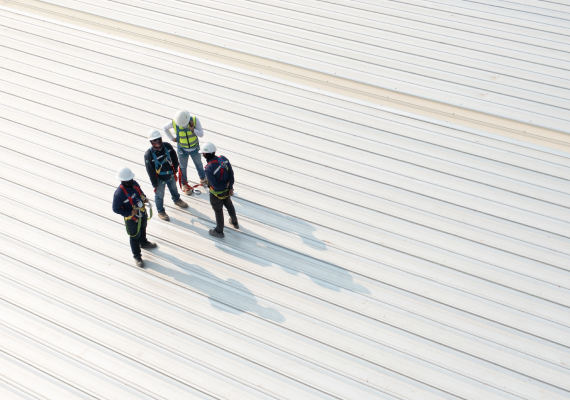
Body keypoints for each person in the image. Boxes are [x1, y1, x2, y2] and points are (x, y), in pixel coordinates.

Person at [112, 167, 156, 268]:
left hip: (141, 212)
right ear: (123, 181)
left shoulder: (134, 184)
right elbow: (115, 209)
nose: (131, 181)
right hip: (132, 219)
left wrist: (145, 199)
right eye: (128, 180)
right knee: (134, 236)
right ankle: (137, 256)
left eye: (131, 179)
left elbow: (140, 192)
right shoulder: (119, 194)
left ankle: (143, 242)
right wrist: (129, 212)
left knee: (143, 227)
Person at [145, 129, 188, 221]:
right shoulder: (149, 155)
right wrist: (154, 184)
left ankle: (177, 200)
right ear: (151, 142)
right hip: (159, 179)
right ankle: (161, 211)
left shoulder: (167, 146)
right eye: (155, 140)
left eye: (159, 139)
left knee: (173, 188)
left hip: (170, 174)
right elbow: (150, 170)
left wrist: (176, 168)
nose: (158, 141)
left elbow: (174, 156)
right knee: (159, 195)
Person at [163, 109, 208, 195]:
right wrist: (172, 138)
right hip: (182, 150)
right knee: (183, 167)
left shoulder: (194, 120)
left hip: (194, 148)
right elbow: (165, 128)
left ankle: (203, 179)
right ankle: (185, 185)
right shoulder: (174, 122)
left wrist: (193, 130)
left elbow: (201, 134)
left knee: (198, 164)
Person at [200, 142, 238, 238]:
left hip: (216, 194)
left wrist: (225, 186)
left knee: (218, 211)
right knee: (229, 204)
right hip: (226, 192)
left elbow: (215, 185)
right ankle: (234, 222)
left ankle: (219, 231)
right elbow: (231, 174)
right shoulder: (223, 159)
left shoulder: (209, 168)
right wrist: (230, 187)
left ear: (204, 154)